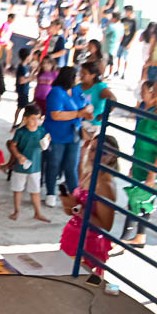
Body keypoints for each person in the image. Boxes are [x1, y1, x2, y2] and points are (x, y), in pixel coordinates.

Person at [59, 135, 121, 294]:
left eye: (104, 153)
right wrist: (68, 203)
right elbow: (72, 210)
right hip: (72, 238)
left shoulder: (105, 184)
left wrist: (77, 210)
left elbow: (105, 226)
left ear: (113, 156)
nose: (96, 155)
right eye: (93, 149)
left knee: (80, 291)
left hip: (89, 245)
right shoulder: (88, 173)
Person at [43, 66, 91, 208]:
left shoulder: (76, 91)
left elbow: (86, 105)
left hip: (73, 134)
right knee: (53, 164)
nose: (79, 78)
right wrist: (78, 114)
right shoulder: (56, 92)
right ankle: (51, 192)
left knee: (71, 166)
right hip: (56, 135)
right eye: (77, 76)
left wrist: (88, 111)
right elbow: (55, 114)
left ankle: (74, 194)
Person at [121, 81, 157, 248]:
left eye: (146, 91)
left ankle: (126, 237)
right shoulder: (148, 111)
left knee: (139, 200)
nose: (142, 94)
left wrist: (152, 174)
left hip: (150, 167)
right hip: (140, 163)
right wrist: (133, 164)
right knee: (138, 200)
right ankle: (137, 237)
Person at [8, 105, 51, 222]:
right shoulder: (20, 132)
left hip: (36, 167)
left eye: (38, 118)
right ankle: (16, 211)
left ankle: (37, 212)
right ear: (25, 119)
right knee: (18, 189)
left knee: (35, 191)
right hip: (21, 166)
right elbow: (12, 145)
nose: (35, 121)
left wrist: (47, 140)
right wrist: (18, 156)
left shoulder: (41, 130)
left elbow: (45, 142)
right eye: (32, 119)